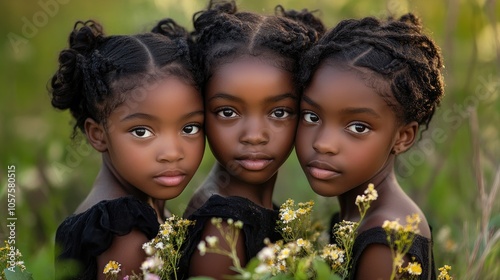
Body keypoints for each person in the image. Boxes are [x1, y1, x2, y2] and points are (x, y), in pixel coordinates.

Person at [178, 1, 324, 279]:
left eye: (279, 112)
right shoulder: (222, 227)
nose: (255, 136)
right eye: (228, 112)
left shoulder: (251, 210)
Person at [51, 19, 205, 279]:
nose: (172, 152)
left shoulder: (139, 210)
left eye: (189, 128)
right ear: (98, 134)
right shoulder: (121, 230)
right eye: (142, 131)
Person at [295, 13, 444, 280]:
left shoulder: (386, 240)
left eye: (358, 127)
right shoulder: (359, 217)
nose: (323, 144)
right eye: (311, 117)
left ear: (403, 137)